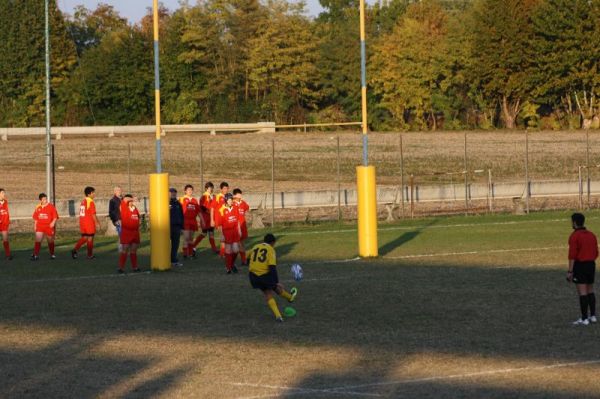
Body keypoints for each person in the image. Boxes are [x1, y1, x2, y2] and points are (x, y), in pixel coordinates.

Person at [248, 233, 297, 322]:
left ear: (264, 241)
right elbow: (272, 268)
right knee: (270, 290)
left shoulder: (255, 246)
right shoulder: (270, 250)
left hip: (253, 276)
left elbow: (247, 257)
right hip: (263, 274)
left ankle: (290, 298)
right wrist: (277, 282)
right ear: (273, 242)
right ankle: (279, 315)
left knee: (269, 291)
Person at [567, 213, 598, 325]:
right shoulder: (592, 235)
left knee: (582, 293)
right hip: (591, 265)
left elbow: (572, 255)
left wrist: (570, 271)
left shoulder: (574, 236)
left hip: (580, 266)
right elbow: (596, 253)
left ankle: (584, 319)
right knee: (590, 290)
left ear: (574, 222)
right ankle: (593, 316)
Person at [215, 193, 242, 274]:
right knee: (228, 250)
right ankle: (228, 268)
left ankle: (232, 264)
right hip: (226, 232)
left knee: (236, 250)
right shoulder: (221, 209)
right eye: (229, 200)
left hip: (234, 231)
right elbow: (219, 224)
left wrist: (239, 230)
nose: (230, 201)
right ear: (226, 200)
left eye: (231, 200)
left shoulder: (235, 207)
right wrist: (222, 234)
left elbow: (237, 220)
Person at [72, 186, 100, 259]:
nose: (94, 194)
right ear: (89, 194)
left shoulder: (83, 201)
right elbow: (93, 214)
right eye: (93, 193)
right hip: (89, 223)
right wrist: (97, 223)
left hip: (82, 222)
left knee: (85, 237)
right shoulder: (90, 202)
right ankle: (90, 255)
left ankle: (75, 250)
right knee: (90, 238)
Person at [192, 181, 219, 254]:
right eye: (209, 188)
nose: (211, 189)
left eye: (211, 188)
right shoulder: (203, 196)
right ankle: (193, 246)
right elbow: (202, 207)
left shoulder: (213, 196)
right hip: (205, 218)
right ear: (206, 188)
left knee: (211, 233)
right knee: (204, 233)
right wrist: (209, 212)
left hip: (211, 218)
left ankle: (214, 248)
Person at [118, 194, 142, 273]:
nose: (131, 202)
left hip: (135, 232)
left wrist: (139, 224)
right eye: (130, 200)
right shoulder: (124, 207)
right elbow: (124, 200)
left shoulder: (135, 208)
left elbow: (138, 218)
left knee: (134, 250)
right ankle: (121, 268)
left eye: (132, 201)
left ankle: (135, 267)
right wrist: (131, 198)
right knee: (125, 249)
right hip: (126, 232)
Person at [31, 193, 59, 261]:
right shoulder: (37, 207)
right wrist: (35, 225)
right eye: (43, 199)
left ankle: (52, 254)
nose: (45, 200)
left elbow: (55, 216)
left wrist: (53, 222)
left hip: (48, 226)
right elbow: (36, 217)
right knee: (38, 240)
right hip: (40, 226)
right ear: (40, 200)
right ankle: (35, 255)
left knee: (50, 241)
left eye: (46, 199)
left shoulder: (51, 206)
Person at [180, 184, 200, 259]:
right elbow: (179, 210)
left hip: (193, 221)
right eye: (188, 190)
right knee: (186, 237)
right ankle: (185, 254)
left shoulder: (194, 200)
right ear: (185, 191)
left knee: (191, 238)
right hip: (185, 220)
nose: (190, 191)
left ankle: (191, 253)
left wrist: (201, 220)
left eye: (191, 190)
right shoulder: (182, 199)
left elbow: (198, 211)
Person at [211, 182, 229, 257]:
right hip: (219, 220)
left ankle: (225, 252)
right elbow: (212, 208)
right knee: (222, 236)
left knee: (227, 236)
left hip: (227, 220)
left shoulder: (229, 197)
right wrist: (212, 220)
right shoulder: (217, 197)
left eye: (227, 188)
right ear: (221, 189)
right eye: (224, 188)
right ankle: (222, 253)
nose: (226, 190)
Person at [233, 188, 250, 266]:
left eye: (241, 194)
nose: (240, 195)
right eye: (239, 194)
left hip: (243, 225)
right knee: (239, 243)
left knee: (242, 243)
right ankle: (243, 260)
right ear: (235, 195)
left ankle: (243, 259)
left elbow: (247, 208)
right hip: (236, 226)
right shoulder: (232, 203)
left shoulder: (243, 203)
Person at [169, 188, 184, 267]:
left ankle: (174, 260)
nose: (173, 194)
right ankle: (165, 260)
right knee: (166, 244)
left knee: (175, 245)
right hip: (168, 227)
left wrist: (182, 227)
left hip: (177, 227)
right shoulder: (165, 203)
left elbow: (181, 216)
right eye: (171, 192)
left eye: (175, 192)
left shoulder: (178, 203)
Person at [109, 186, 123, 250]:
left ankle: (125, 247)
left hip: (125, 219)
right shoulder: (112, 200)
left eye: (120, 190)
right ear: (114, 192)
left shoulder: (123, 199)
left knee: (126, 234)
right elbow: (111, 212)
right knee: (121, 234)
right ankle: (120, 247)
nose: (119, 191)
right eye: (117, 190)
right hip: (118, 220)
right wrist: (114, 220)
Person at [0, 189, 12, 260]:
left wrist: (7, 220)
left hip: (4, 223)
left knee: (5, 239)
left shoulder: (6, 202)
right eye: (2, 193)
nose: (4, 194)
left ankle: (8, 255)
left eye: (4, 193)